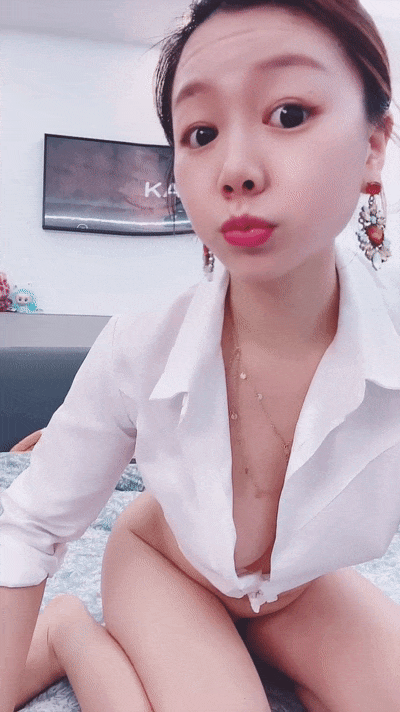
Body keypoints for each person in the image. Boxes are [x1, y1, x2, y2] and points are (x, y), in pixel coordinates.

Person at [1, 1, 399, 710]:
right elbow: (30, 524)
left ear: (373, 143)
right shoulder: (139, 348)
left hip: (297, 591)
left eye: (289, 114)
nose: (235, 170)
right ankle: (69, 633)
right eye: (202, 133)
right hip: (165, 563)